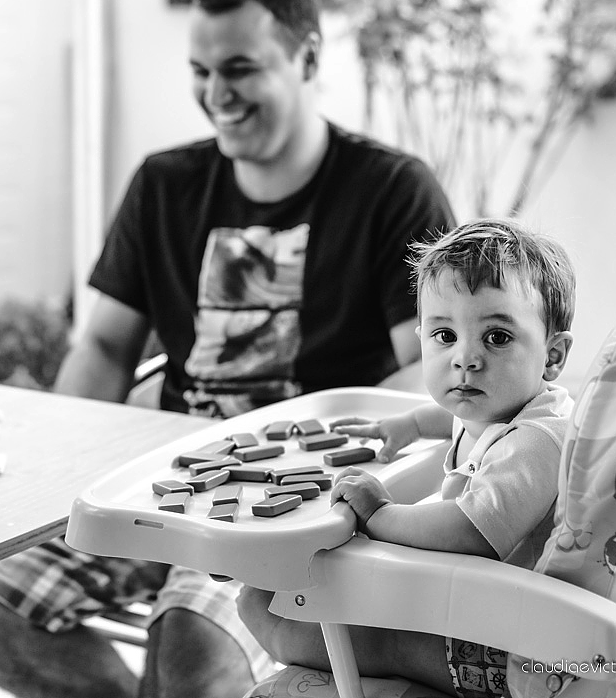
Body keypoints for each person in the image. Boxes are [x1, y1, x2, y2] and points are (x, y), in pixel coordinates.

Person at [0, 0, 458, 698]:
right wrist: (58, 476)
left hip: (289, 513)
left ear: (309, 57)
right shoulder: (165, 184)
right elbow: (102, 347)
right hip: (162, 486)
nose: (216, 94)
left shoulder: (392, 191)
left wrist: (338, 476)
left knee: (191, 646)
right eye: (201, 69)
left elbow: (424, 373)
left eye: (240, 68)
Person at [238, 218, 577, 698]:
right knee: (268, 601)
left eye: (497, 337)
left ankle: (303, 647)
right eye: (444, 336)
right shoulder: (502, 402)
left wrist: (379, 514)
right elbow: (461, 422)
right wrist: (414, 424)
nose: (465, 358)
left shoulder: (539, 439)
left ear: (553, 356)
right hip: (490, 615)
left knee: (297, 623)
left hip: (514, 652)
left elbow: (470, 532)